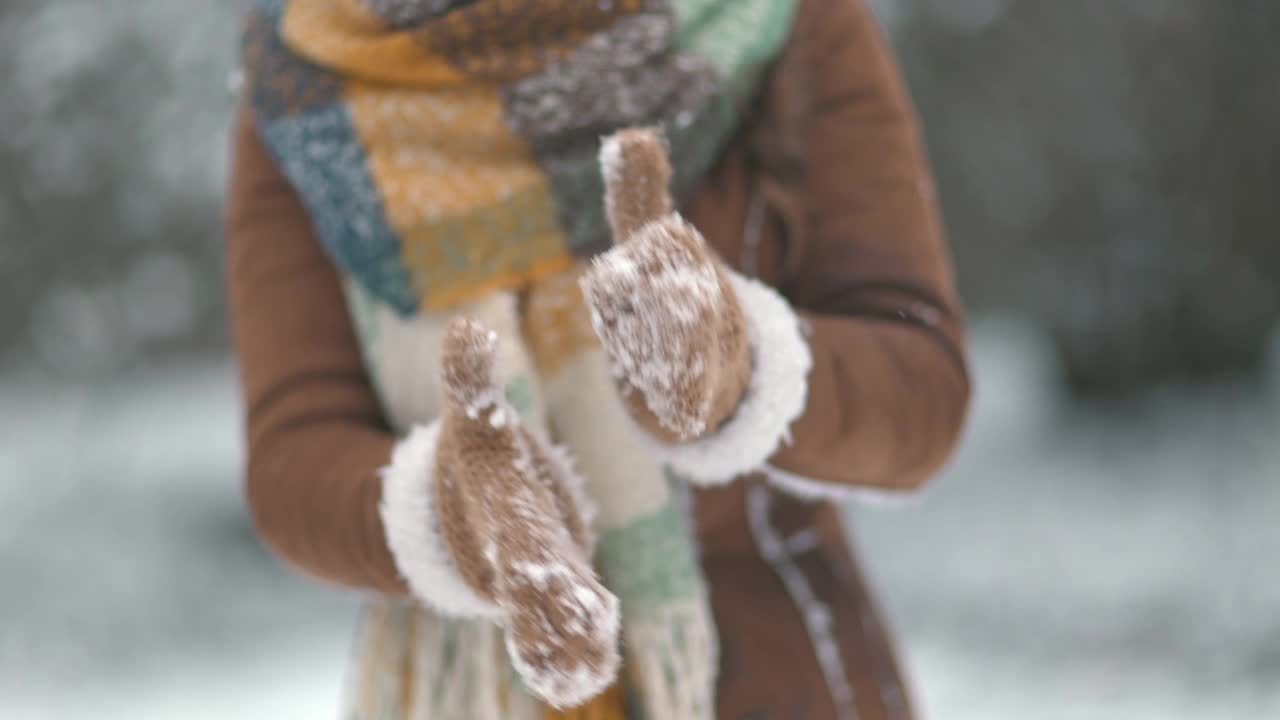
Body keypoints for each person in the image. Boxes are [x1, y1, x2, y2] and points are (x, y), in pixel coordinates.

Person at [224, 0, 970, 717]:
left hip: (771, 678)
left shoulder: (782, 20)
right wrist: (452, 512)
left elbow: (922, 393)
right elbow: (294, 452)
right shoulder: (306, 81)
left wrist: (741, 369)